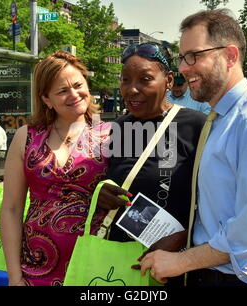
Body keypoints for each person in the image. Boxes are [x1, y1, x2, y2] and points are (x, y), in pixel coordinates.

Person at [138, 9, 247, 286]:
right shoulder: (221, 119)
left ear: (230, 55)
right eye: (182, 58)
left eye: (194, 56)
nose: (183, 68)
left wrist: (180, 261)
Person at [97, 42, 206, 286]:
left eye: (145, 79)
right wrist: (99, 193)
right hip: (116, 263)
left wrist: (183, 237)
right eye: (125, 80)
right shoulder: (116, 129)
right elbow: (97, 180)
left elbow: (216, 199)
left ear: (168, 80)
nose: (132, 89)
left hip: (172, 266)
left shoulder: (196, 126)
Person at [0, 51, 110, 286]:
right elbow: (11, 208)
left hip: (97, 270)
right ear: (46, 99)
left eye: (78, 84)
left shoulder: (111, 134)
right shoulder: (26, 137)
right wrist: (14, 277)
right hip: (35, 270)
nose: (74, 94)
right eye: (62, 91)